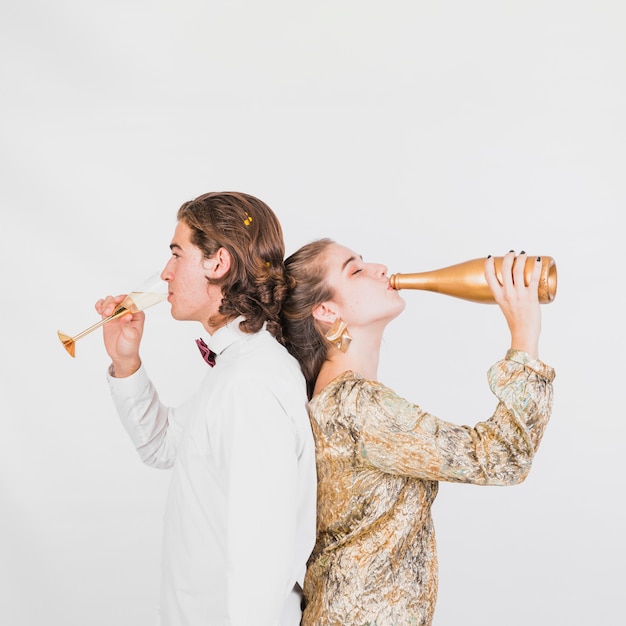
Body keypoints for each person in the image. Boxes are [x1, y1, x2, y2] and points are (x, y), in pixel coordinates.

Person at [280, 240, 555, 626]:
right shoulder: (357, 406)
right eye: (355, 270)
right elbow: (501, 458)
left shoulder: (342, 399)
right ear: (326, 311)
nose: (379, 267)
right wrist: (524, 336)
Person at [95, 192, 317, 626]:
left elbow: (262, 551)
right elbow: (162, 446)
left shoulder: (250, 381)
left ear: (218, 263)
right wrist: (126, 362)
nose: (165, 272)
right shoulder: (236, 368)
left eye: (177, 254)